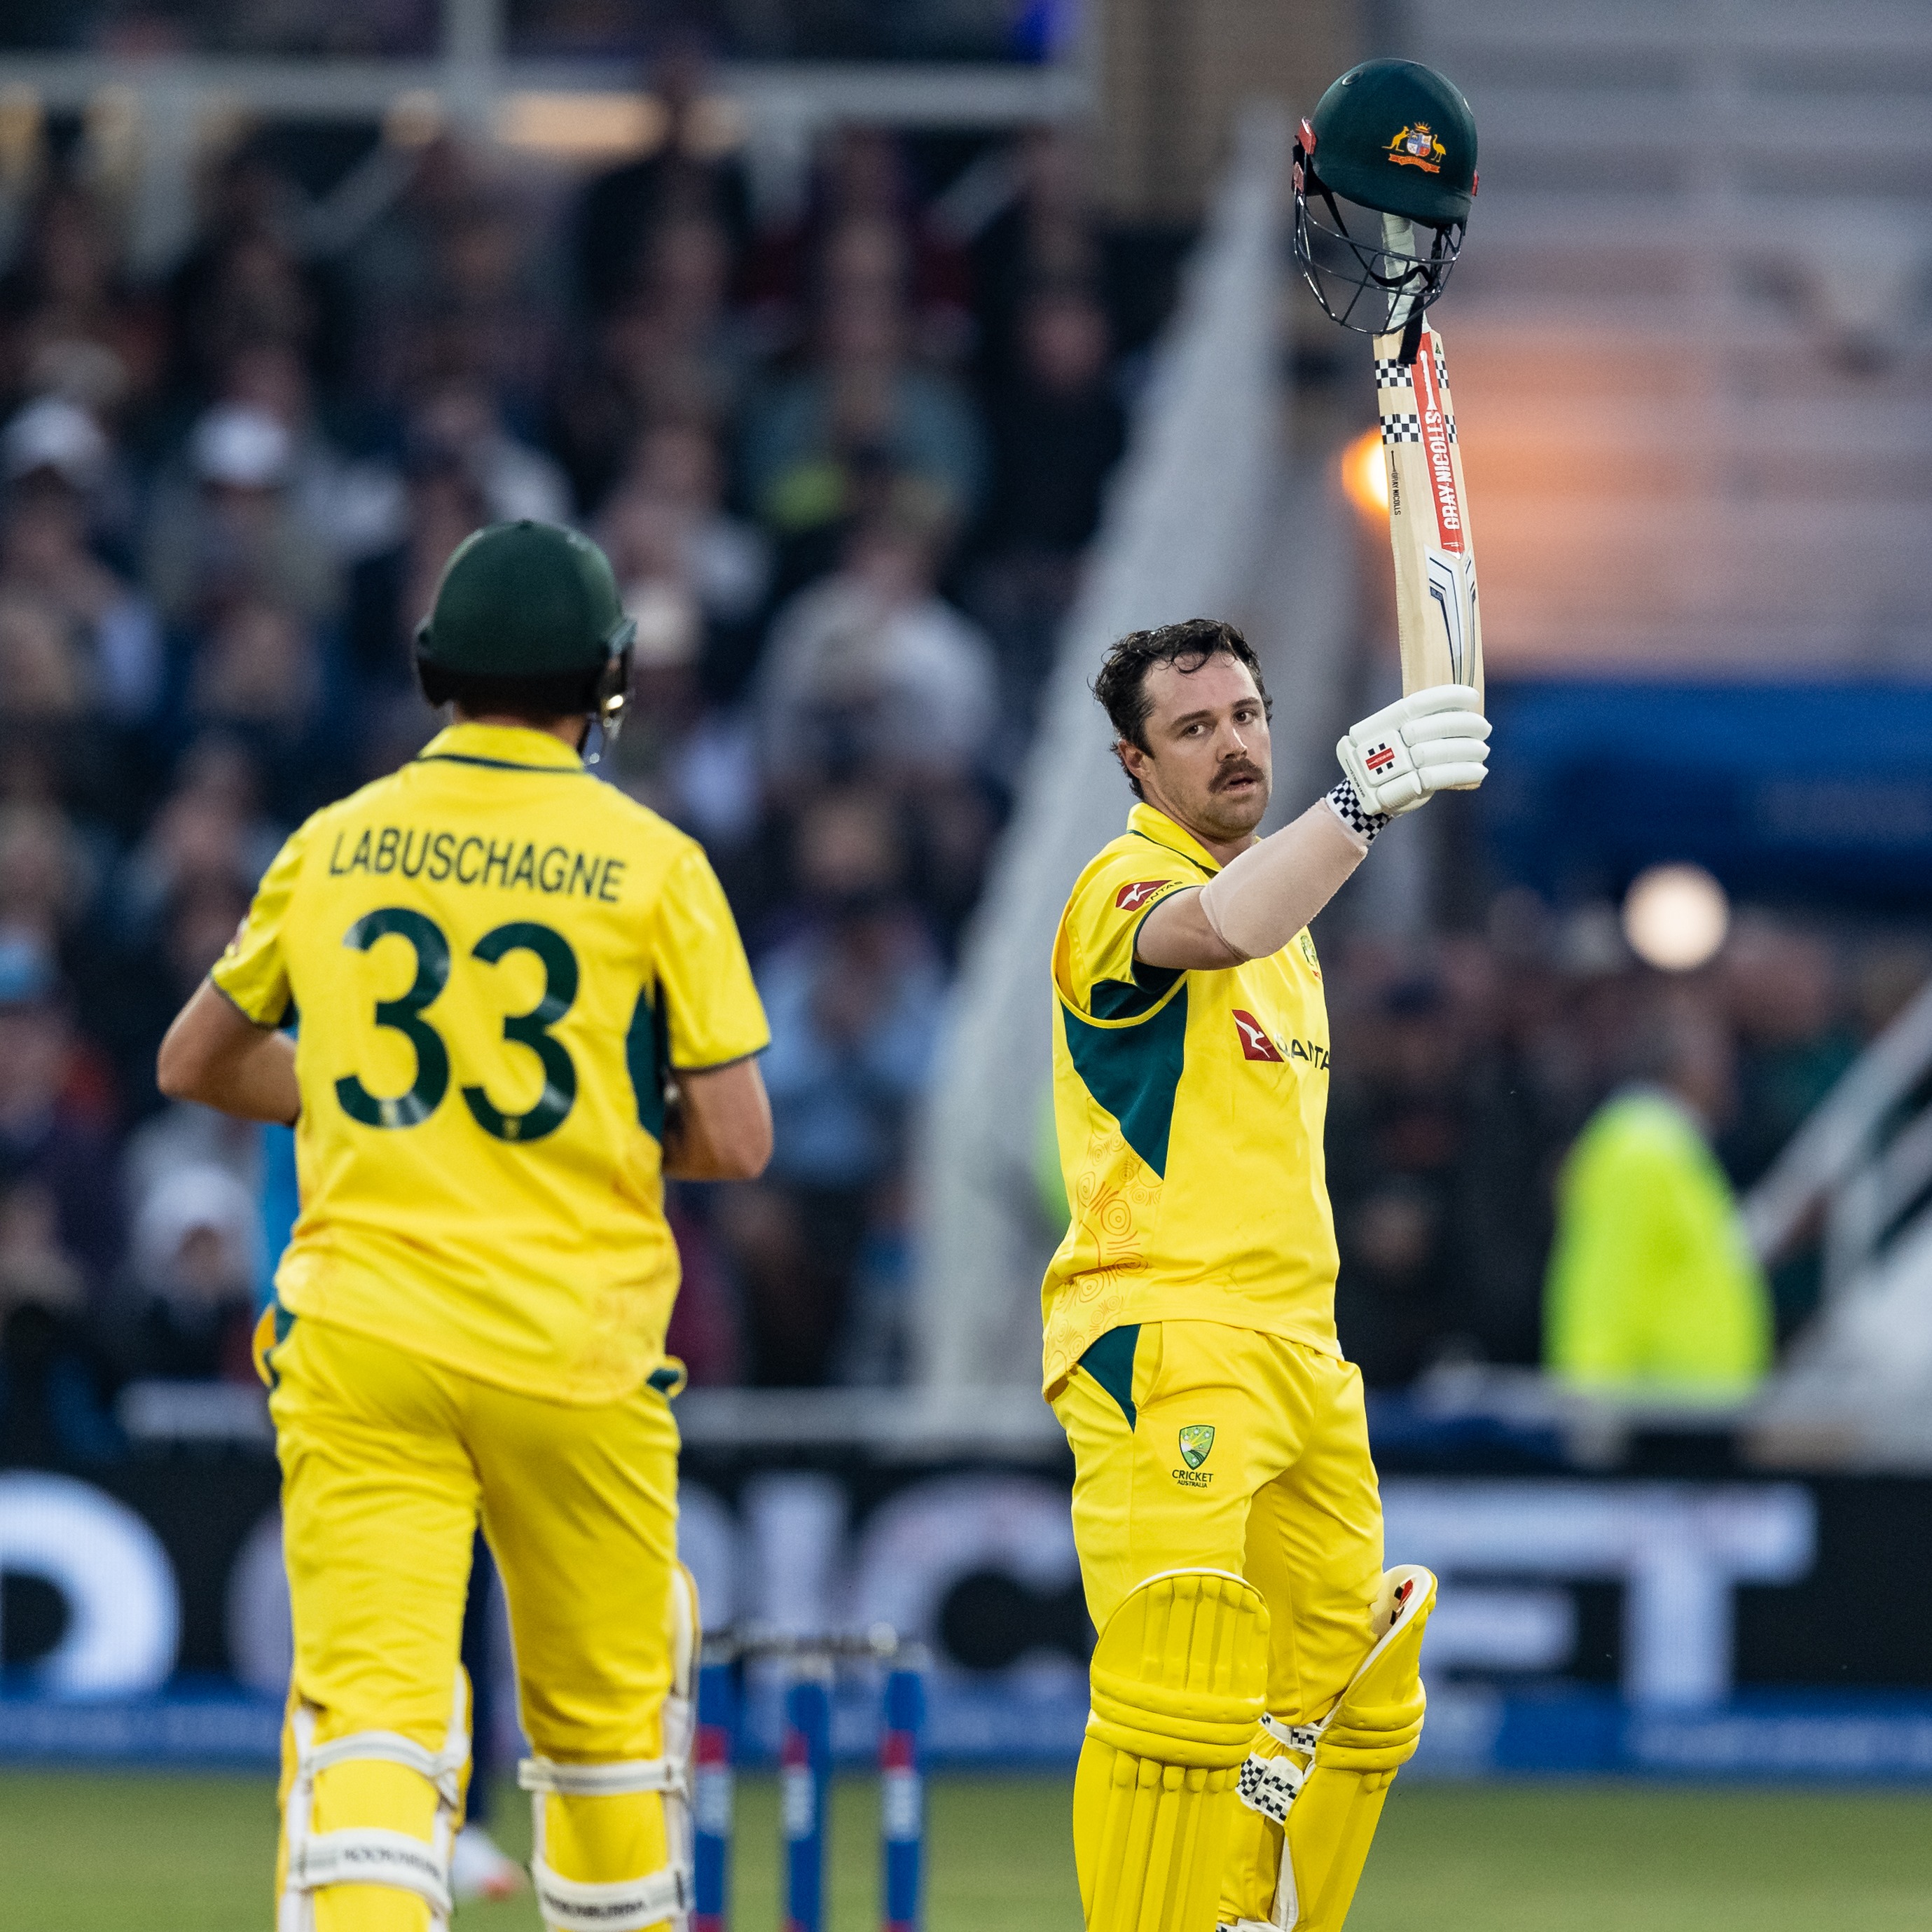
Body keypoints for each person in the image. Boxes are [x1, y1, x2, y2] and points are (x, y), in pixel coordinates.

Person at [156, 519, 773, 1932]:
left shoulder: (335, 842)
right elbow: (736, 1138)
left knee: (374, 1717)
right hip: (577, 1350)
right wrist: (580, 1123)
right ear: (607, 682)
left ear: (432, 668)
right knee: (606, 1737)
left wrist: (391, 1112)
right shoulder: (654, 861)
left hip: (364, 1334)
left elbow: (193, 1060)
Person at [1042, 618, 1488, 1932]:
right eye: (1193, 728)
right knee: (1175, 1699)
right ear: (1136, 762)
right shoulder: (1116, 889)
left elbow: (1262, 909)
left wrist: (1346, 819)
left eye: (1246, 714)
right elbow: (1216, 922)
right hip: (1164, 1331)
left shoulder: (1290, 927)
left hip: (1302, 1355)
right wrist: (1357, 802)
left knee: (1337, 1705)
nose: (1233, 742)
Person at [1543, 997, 1773, 1395]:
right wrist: (1591, 1404)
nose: (1729, 1071)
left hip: (1695, 1408)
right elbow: (1604, 1279)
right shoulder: (1640, 1146)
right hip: (1654, 1414)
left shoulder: (1677, 1147)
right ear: (1679, 1064)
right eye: (1714, 1055)